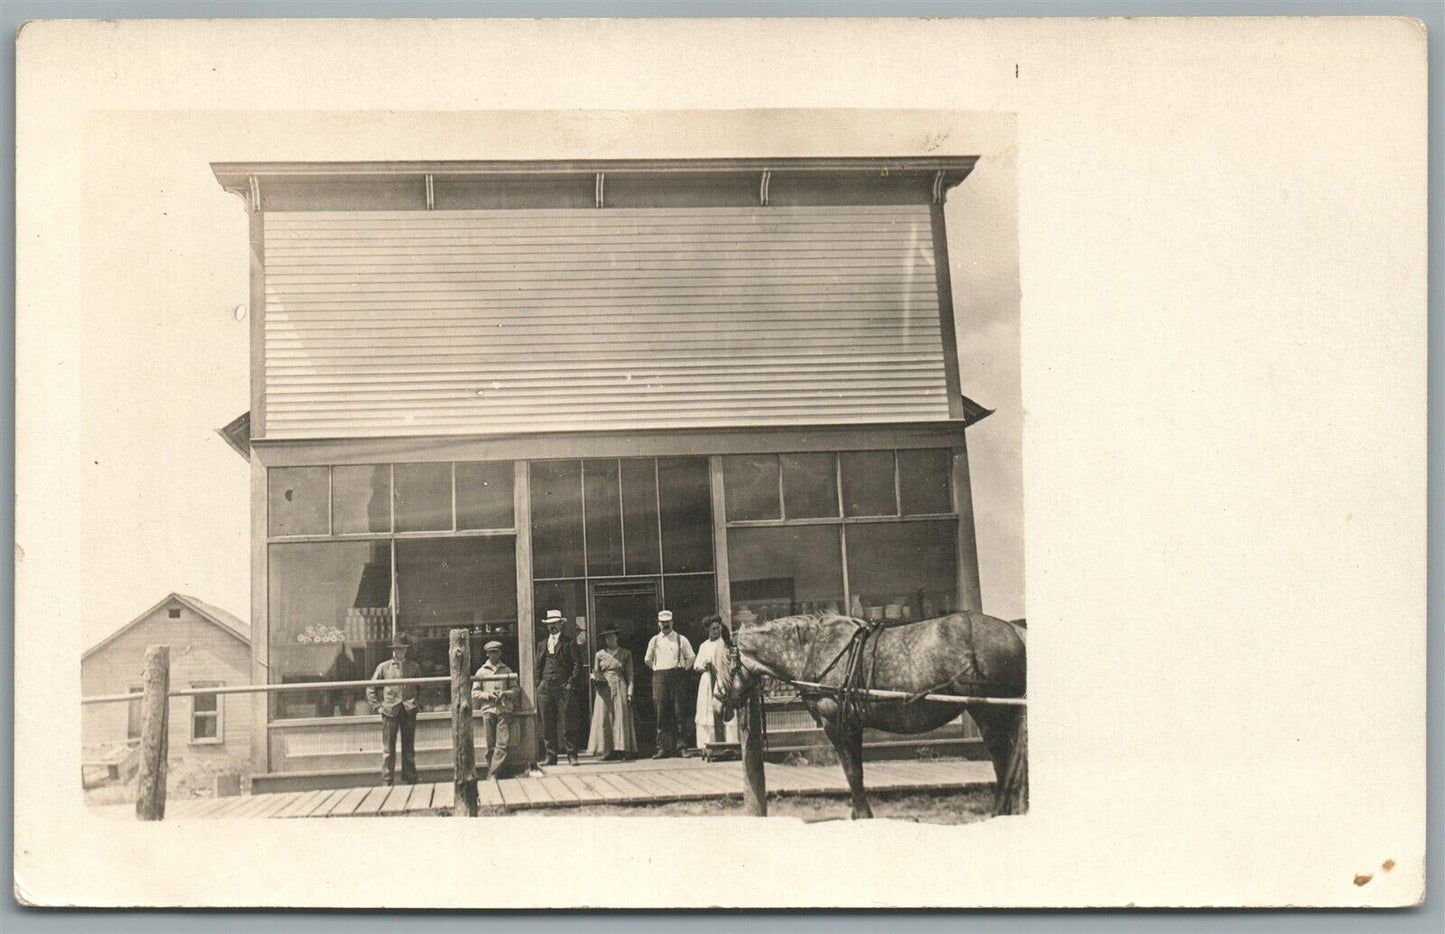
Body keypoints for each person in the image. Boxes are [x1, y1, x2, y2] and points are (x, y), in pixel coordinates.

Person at [365, 632, 420, 785]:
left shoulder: (414, 667)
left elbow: (421, 688)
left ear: (407, 649)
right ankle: (387, 780)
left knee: (409, 749)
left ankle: (410, 779)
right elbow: (370, 688)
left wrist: (417, 703)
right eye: (397, 648)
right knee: (388, 750)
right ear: (393, 650)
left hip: (408, 710)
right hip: (390, 711)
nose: (399, 651)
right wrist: (377, 707)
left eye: (402, 648)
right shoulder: (383, 667)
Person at [643, 609, 695, 758]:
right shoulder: (654, 640)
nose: (665, 625)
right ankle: (662, 748)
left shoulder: (681, 639)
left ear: (672, 622)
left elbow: (691, 656)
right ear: (658, 623)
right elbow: (647, 659)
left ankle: (681, 747)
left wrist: (683, 669)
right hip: (660, 677)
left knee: (680, 712)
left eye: (668, 622)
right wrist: (657, 669)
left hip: (677, 675)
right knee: (661, 713)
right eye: (662, 622)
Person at [533, 608, 581, 766]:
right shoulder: (541, 644)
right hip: (545, 689)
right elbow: (537, 667)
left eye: (555, 624)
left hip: (563, 687)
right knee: (547, 724)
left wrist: (570, 684)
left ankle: (572, 755)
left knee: (568, 722)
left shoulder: (569, 642)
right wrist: (539, 684)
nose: (552, 627)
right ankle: (551, 756)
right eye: (549, 624)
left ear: (561, 624)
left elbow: (577, 665)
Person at [586, 626, 637, 760]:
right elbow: (595, 672)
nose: (610, 639)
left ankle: (622, 750)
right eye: (607, 637)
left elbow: (630, 674)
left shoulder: (625, 653)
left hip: (620, 686)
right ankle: (608, 751)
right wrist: (595, 679)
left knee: (620, 717)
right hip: (604, 689)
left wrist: (630, 692)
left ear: (617, 637)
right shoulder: (599, 654)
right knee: (605, 719)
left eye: (612, 636)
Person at [471, 640, 520, 780]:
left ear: (500, 653)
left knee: (502, 743)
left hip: (504, 710)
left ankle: (493, 773)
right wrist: (488, 695)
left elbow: (516, 689)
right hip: (488, 710)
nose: (493, 655)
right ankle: (494, 771)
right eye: (491, 653)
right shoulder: (481, 672)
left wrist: (505, 693)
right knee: (490, 743)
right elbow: (474, 692)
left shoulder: (507, 670)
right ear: (487, 654)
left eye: (496, 652)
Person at [693, 615, 739, 749]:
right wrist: (704, 665)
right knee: (707, 711)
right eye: (713, 629)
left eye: (718, 628)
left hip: (721, 680)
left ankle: (728, 743)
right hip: (707, 681)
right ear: (707, 630)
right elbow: (696, 665)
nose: (716, 631)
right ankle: (708, 744)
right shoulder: (704, 646)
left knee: (723, 709)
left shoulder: (725, 644)